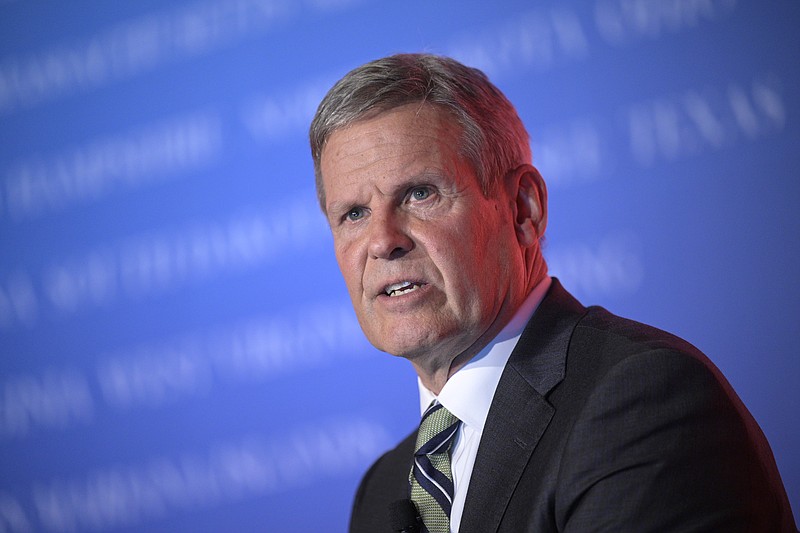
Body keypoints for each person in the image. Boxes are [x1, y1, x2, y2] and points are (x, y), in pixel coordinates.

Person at [308, 53, 796, 532]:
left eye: (419, 193)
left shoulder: (639, 402)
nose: (382, 240)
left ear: (523, 208)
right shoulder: (384, 490)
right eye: (353, 213)